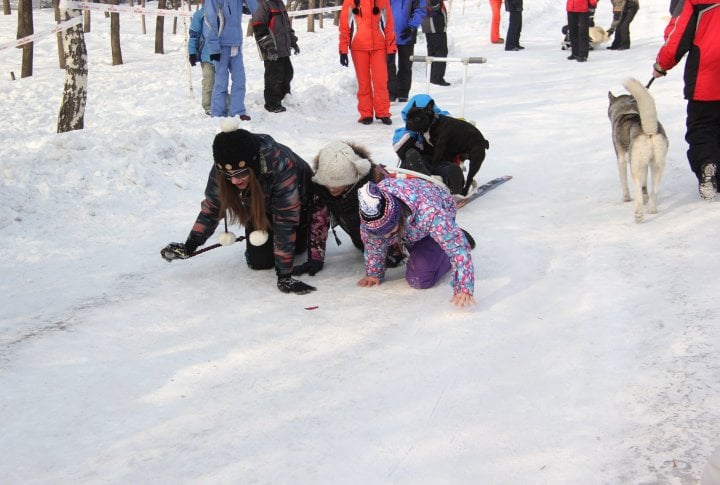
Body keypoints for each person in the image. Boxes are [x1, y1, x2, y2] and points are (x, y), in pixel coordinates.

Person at [160, 119, 317, 295]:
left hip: (300, 208)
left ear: (254, 165)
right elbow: (213, 207)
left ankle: (301, 234)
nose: (234, 181)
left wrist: (284, 276)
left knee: (297, 249)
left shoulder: (279, 164)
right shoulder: (224, 165)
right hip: (260, 206)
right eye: (229, 176)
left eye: (241, 174)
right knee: (260, 262)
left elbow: (286, 220)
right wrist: (190, 245)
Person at [357, 178, 476, 307]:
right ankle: (420, 242)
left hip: (435, 222)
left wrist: (463, 287)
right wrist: (374, 273)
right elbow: (373, 244)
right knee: (387, 240)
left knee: (420, 277)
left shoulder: (430, 213)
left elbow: (457, 249)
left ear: (398, 216)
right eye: (379, 232)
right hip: (409, 229)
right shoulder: (372, 213)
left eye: (388, 230)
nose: (385, 235)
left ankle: (455, 236)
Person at [294, 141, 404, 276]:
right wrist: (316, 258)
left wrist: (398, 248)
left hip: (388, 234)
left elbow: (400, 214)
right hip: (358, 234)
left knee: (391, 260)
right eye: (328, 184)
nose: (332, 189)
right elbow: (319, 220)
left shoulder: (376, 179)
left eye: (340, 184)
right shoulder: (320, 187)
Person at [652, 0, 720, 200]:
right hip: (705, 75)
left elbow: (677, 37)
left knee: (702, 127)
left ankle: (707, 165)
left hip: (705, 75)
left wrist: (662, 64)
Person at [339, 0, 397, 125]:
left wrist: (391, 48)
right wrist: (343, 50)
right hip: (358, 48)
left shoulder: (383, 1)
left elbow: (389, 24)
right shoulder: (350, 1)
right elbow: (344, 25)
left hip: (379, 47)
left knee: (381, 81)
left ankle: (383, 112)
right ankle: (366, 114)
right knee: (364, 83)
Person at [392, 94, 465, 194]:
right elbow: (400, 149)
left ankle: (454, 181)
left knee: (447, 168)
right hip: (416, 163)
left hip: (439, 160)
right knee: (410, 154)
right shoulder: (405, 131)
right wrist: (412, 131)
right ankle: (427, 180)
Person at [204, 0, 258, 119]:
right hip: (220, 45)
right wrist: (213, 48)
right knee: (221, 82)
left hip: (236, 44)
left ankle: (237, 112)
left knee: (240, 80)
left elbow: (255, 9)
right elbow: (209, 20)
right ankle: (218, 113)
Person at [252, 0, 299, 113]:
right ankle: (272, 104)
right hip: (271, 50)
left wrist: (292, 41)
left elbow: (286, 26)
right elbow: (259, 28)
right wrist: (269, 47)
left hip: (283, 48)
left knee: (288, 73)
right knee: (274, 77)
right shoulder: (264, 5)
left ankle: (283, 97)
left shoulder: (280, 4)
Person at [387, 0, 426, 103]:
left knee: (405, 65)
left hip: (407, 33)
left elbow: (420, 9)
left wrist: (412, 26)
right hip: (387, 34)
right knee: (388, 65)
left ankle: (403, 93)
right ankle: (390, 92)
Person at [188, 4, 215, 115]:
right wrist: (192, 53)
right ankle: (208, 106)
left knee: (221, 82)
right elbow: (194, 36)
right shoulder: (200, 14)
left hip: (223, 55)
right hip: (206, 56)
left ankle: (222, 103)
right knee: (208, 81)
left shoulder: (224, 13)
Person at [421, 0, 450, 86]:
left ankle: (432, 76)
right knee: (440, 51)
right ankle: (436, 78)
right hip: (434, 25)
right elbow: (434, 7)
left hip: (433, 25)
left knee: (433, 51)